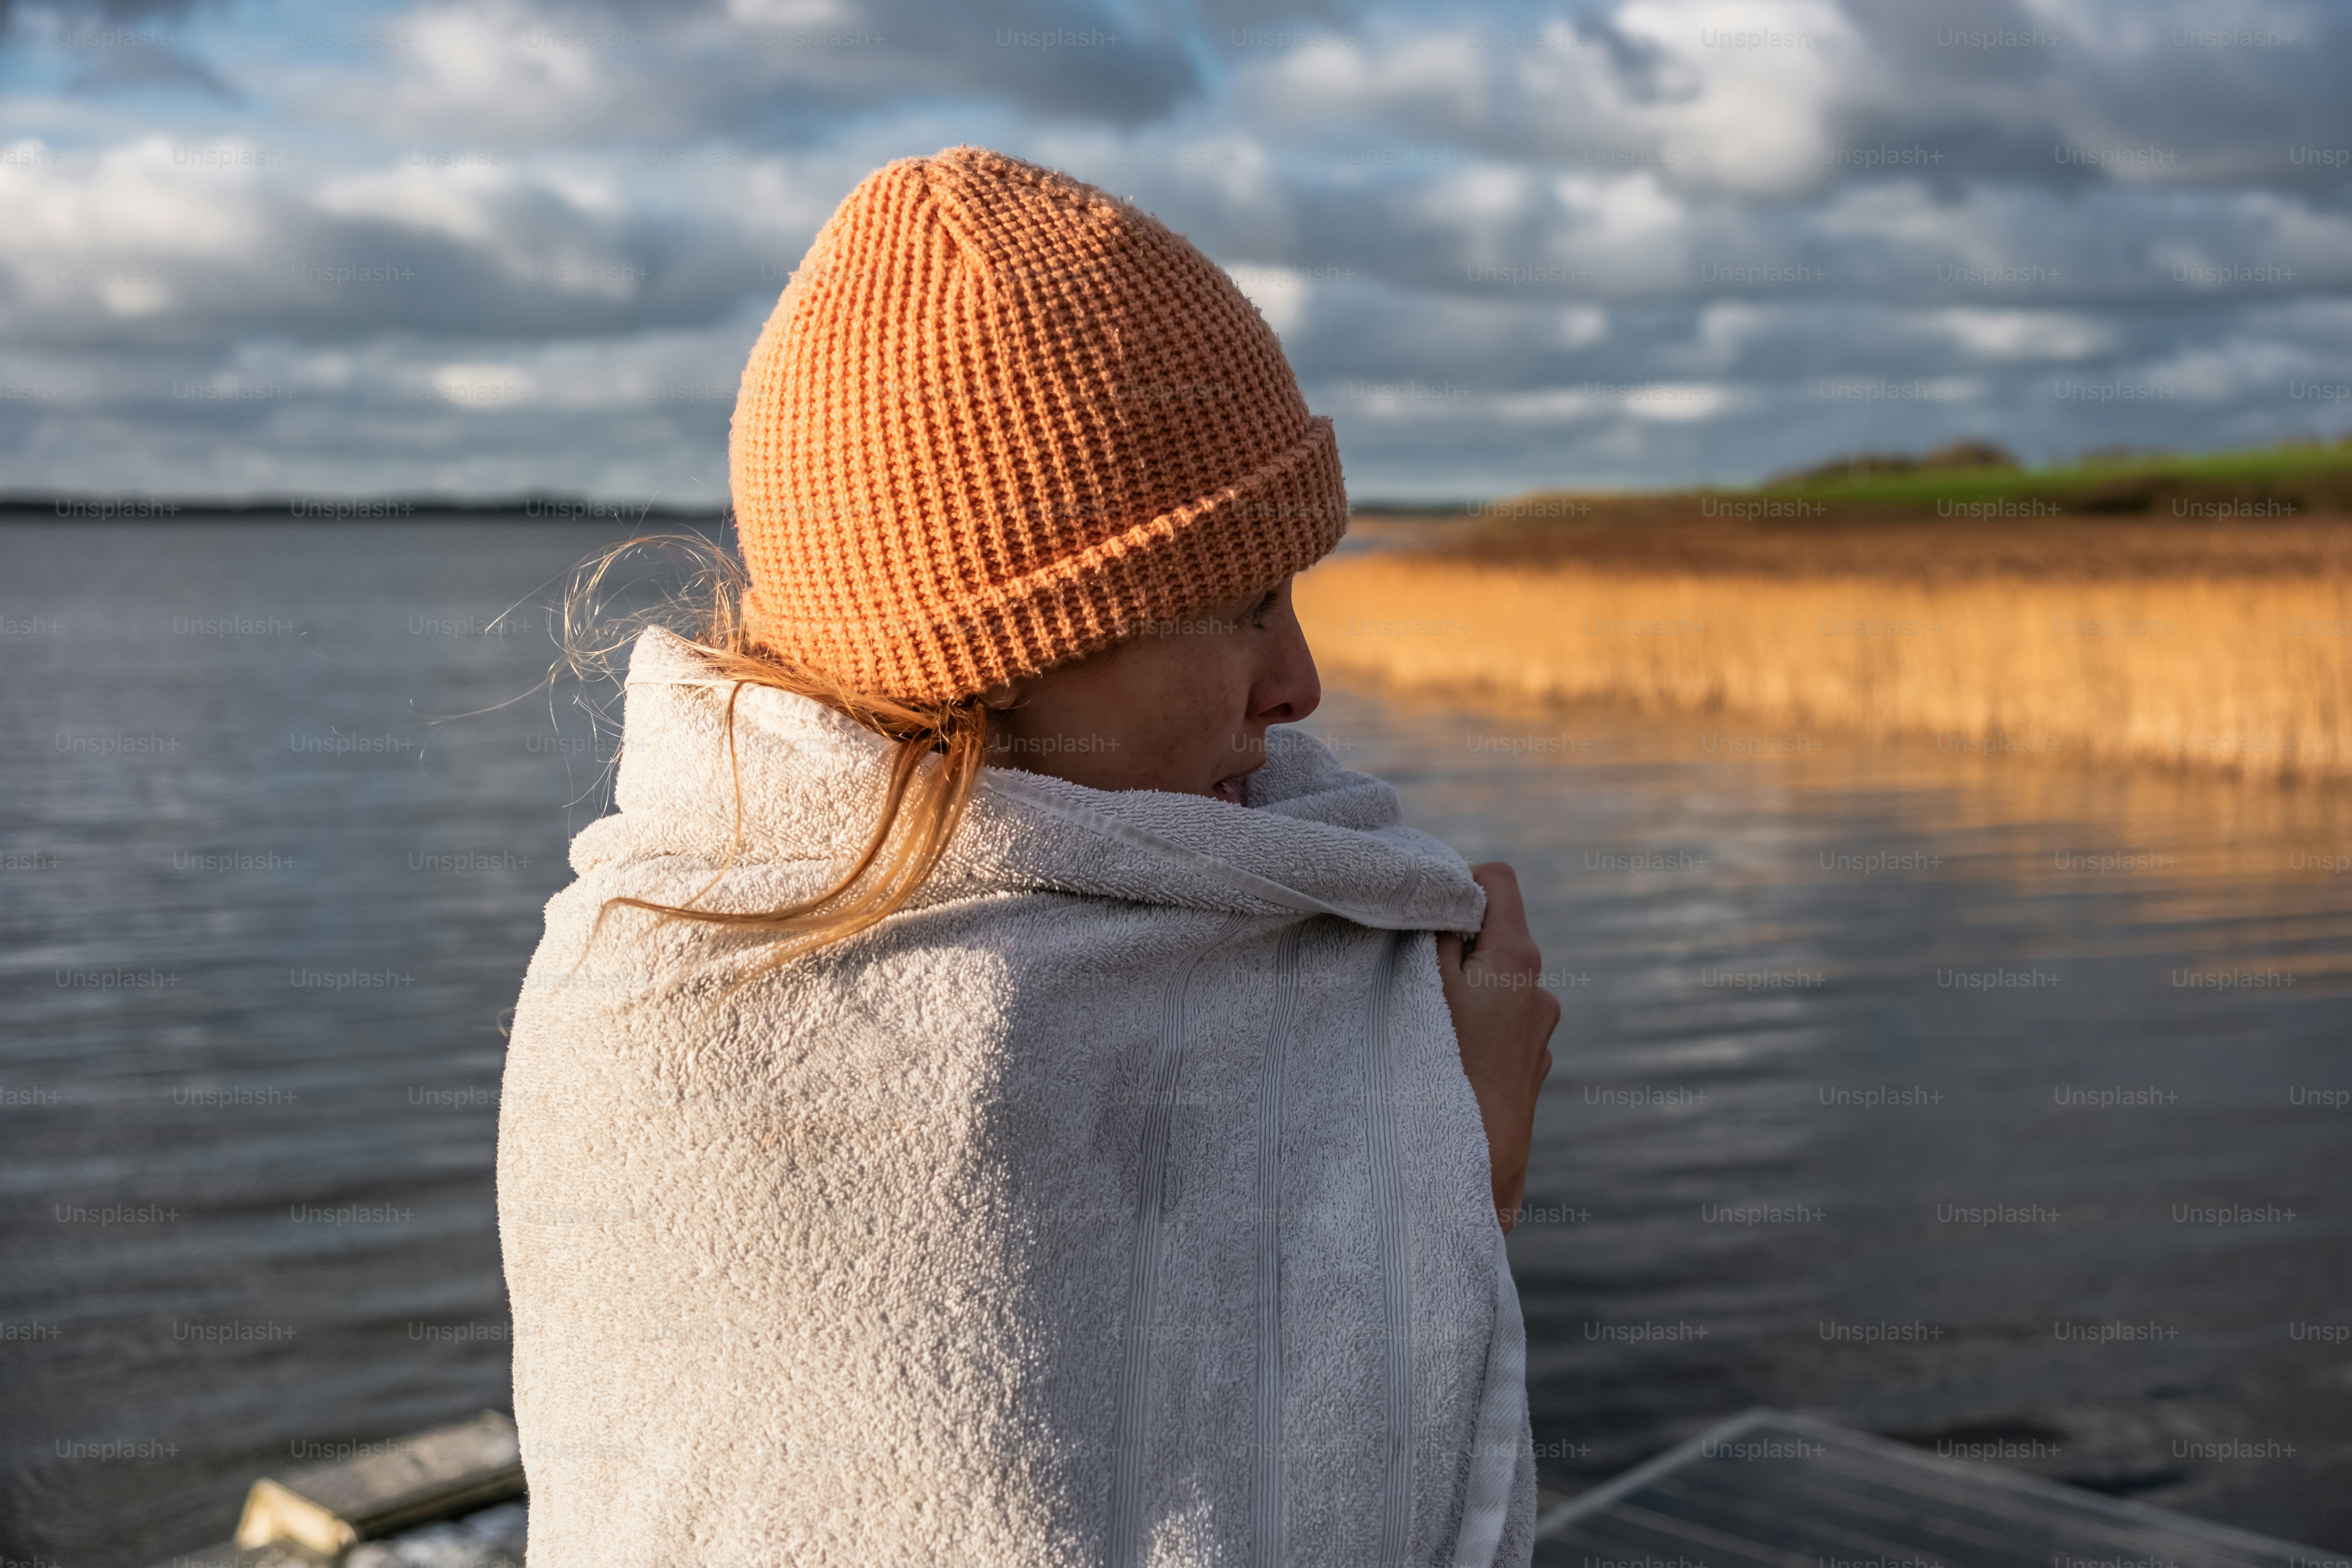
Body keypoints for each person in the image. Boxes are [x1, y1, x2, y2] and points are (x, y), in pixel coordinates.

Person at [498, 144, 1559, 1566]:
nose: (1299, 683)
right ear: (1006, 656)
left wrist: (1434, 1153)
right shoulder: (661, 993)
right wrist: (1464, 1169)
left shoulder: (1285, 892)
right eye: (1239, 607)